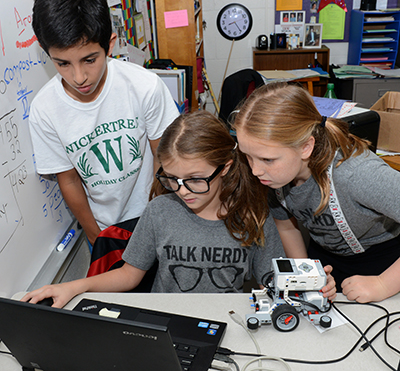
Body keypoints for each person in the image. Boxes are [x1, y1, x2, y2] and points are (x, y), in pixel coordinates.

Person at [22, 111, 336, 308]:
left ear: (225, 167)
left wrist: (310, 285)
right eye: (173, 179)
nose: (183, 191)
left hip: (225, 326)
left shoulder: (253, 215)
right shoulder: (160, 211)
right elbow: (130, 275)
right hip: (163, 323)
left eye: (196, 180)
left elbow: (272, 280)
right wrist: (73, 286)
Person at [29, 0, 179, 246]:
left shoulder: (144, 86)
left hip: (153, 214)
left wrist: (154, 219)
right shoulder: (45, 109)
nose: (79, 77)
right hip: (101, 227)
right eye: (62, 63)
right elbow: (70, 180)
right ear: (47, 54)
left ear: (110, 45)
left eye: (90, 60)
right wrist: (95, 235)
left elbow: (164, 158)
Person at [233, 82, 400, 304]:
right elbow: (286, 226)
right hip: (325, 259)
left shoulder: (356, 174)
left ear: (305, 148)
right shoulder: (274, 175)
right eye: (247, 156)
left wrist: (383, 284)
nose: (254, 170)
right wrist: (309, 277)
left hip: (386, 265)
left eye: (267, 159)